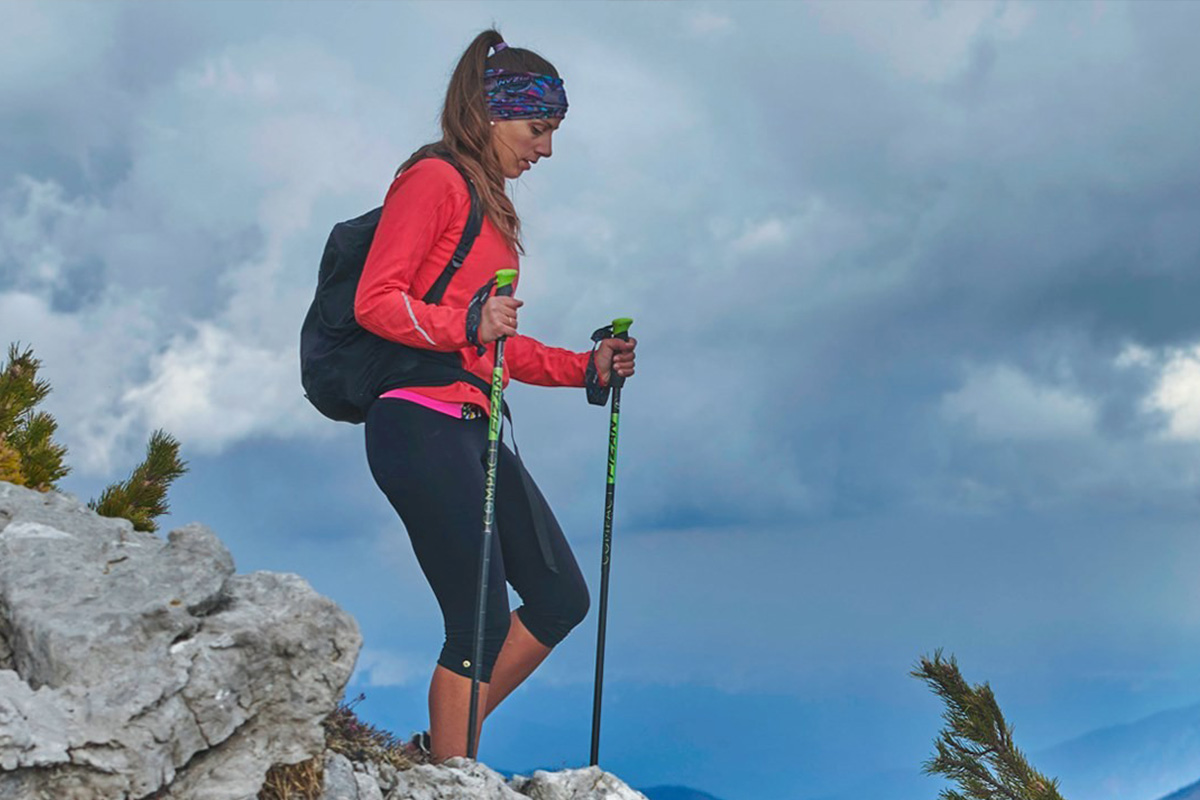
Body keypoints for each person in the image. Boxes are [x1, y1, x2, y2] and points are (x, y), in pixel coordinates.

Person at [354, 29, 637, 762]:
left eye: (552, 131)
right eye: (537, 128)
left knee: (560, 597)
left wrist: (586, 367)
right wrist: (465, 324)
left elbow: (493, 345)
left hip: (472, 421)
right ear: (490, 114)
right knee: (476, 624)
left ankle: (439, 755)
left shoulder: (490, 205)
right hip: (416, 420)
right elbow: (375, 299)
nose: (546, 148)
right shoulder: (433, 180)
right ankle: (451, 775)